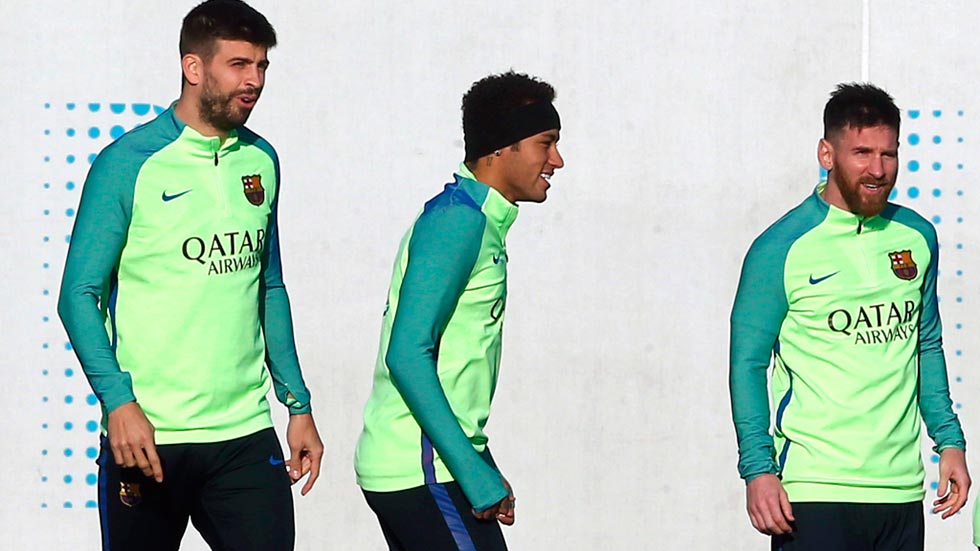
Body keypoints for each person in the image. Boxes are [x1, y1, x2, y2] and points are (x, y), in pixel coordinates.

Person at [57, 1, 323, 549]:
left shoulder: (261, 160)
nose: (254, 81)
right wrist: (117, 402)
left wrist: (298, 405)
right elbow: (78, 295)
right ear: (193, 67)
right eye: (239, 64)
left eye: (261, 66)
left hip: (245, 435)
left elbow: (268, 285)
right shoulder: (128, 162)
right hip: (149, 435)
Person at [729, 83, 969, 550]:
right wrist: (758, 470)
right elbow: (748, 364)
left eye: (888, 154)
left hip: (901, 492)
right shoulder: (780, 247)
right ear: (827, 153)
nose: (877, 169)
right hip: (814, 492)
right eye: (862, 153)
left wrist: (949, 442)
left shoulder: (917, 236)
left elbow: (926, 344)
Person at [354, 70, 564, 551]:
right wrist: (471, 471)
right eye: (546, 143)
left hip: (436, 467)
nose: (557, 160)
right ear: (500, 148)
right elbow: (407, 353)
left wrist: (480, 461)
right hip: (421, 469)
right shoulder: (458, 221)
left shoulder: (479, 219)